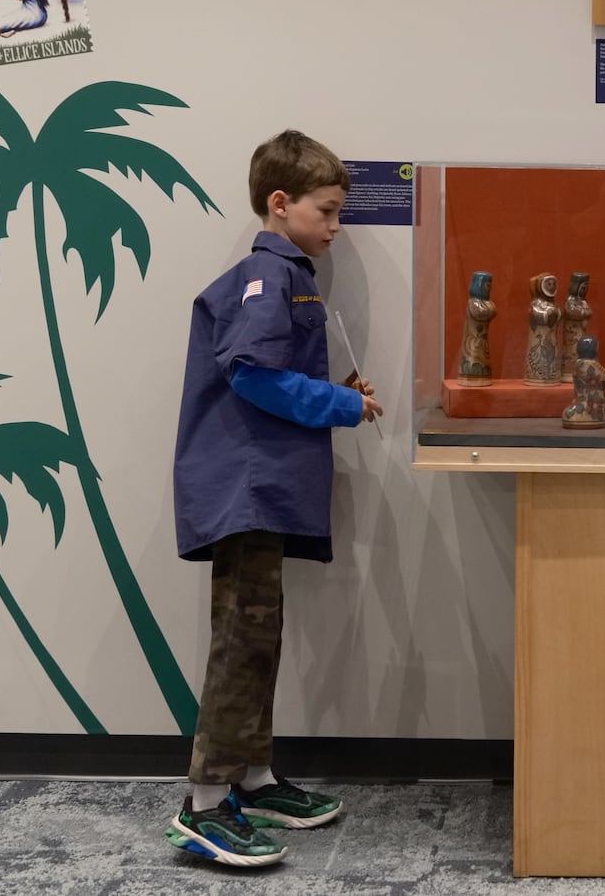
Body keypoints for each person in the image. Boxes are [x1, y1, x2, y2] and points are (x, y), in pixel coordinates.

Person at [166, 130, 384, 868]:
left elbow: (270, 369)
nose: (334, 227)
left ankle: (252, 778)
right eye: (326, 211)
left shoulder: (287, 272)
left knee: (260, 633)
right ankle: (204, 801)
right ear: (280, 203)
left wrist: (333, 396)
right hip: (246, 488)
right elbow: (255, 376)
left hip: (259, 489)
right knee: (240, 641)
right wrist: (338, 404)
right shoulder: (268, 277)